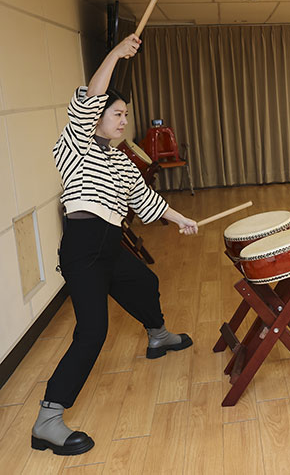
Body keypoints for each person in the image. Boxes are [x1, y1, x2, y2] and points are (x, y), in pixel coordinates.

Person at [32, 34, 198, 456]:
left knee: (143, 280)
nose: (124, 121)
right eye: (118, 114)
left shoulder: (119, 159)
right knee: (93, 332)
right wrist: (115, 55)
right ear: (97, 118)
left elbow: (144, 202)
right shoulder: (76, 145)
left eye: (126, 114)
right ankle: (48, 419)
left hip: (109, 244)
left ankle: (157, 335)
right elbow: (89, 98)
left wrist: (181, 220)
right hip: (83, 248)